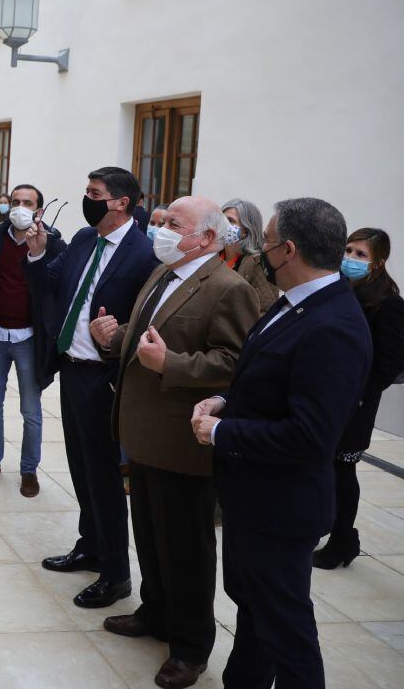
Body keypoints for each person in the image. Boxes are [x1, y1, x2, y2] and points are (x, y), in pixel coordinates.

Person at [191, 198, 372, 688]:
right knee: (256, 617)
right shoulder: (296, 305)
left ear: (288, 249)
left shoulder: (333, 325)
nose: (261, 251)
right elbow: (271, 383)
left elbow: (310, 435)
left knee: (287, 635)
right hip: (253, 499)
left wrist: (222, 432)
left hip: (280, 507)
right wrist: (225, 403)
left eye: (267, 242)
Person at [90, 196, 259, 688]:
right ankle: (155, 613)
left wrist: (174, 366)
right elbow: (146, 337)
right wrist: (114, 334)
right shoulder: (164, 273)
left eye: (172, 224)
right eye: (160, 221)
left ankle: (190, 646)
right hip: (142, 435)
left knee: (186, 548)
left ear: (206, 238)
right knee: (149, 534)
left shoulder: (229, 289)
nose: (159, 229)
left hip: (183, 443)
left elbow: (234, 363)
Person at [28, 166, 159, 609]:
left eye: (94, 193)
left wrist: (117, 334)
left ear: (121, 202)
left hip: (106, 377)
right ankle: (90, 545)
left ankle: (116, 574)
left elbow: (151, 319)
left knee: (105, 477)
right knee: (82, 469)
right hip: (73, 369)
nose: (87, 199)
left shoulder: (144, 254)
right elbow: (52, 280)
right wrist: (38, 252)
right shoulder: (85, 240)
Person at [313, 228, 404, 570]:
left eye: (360, 255)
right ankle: (322, 527)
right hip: (326, 395)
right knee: (321, 465)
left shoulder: (388, 303)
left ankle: (342, 540)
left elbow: (390, 362)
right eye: (348, 250)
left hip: (355, 403)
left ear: (378, 263)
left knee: (342, 468)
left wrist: (359, 395)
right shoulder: (335, 289)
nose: (350, 259)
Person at [0, 184, 66, 497]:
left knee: (31, 410)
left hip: (29, 338)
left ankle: (28, 470)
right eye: (15, 201)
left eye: (27, 202)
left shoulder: (52, 244)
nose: (20, 207)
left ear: (38, 210)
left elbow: (55, 289)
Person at [220, 199, 280, 313]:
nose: (224, 224)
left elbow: (265, 309)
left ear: (246, 230)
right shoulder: (214, 256)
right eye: (222, 219)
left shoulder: (258, 263)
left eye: (231, 221)